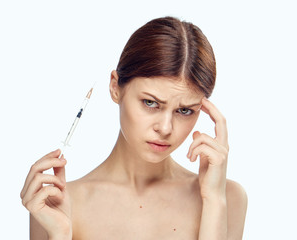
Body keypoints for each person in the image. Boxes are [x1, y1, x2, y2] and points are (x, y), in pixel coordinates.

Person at [20, 16, 247, 240]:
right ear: (115, 87)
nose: (166, 128)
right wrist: (60, 234)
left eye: (185, 110)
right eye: (150, 103)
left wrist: (214, 201)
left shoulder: (226, 198)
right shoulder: (55, 203)